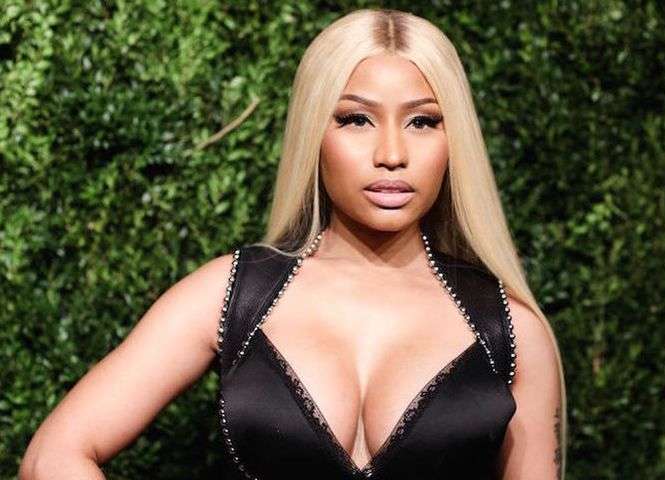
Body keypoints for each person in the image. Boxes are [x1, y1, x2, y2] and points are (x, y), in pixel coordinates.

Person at [20, 8, 566, 480]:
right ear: (313, 131)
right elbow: (54, 457)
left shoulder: (511, 331)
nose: (392, 154)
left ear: (455, 140)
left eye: (422, 122)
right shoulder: (231, 296)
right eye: (356, 119)